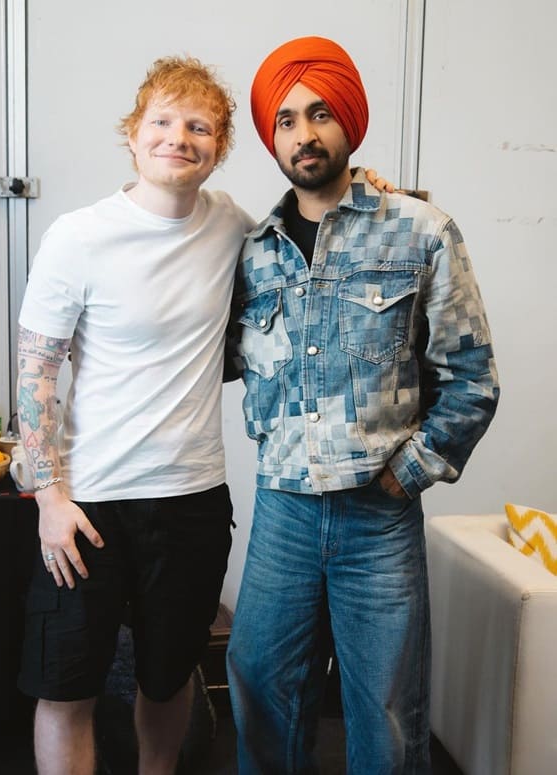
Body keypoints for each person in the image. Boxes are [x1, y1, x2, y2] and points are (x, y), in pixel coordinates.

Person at [226, 36, 500, 774]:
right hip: (282, 509)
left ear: (349, 120)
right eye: (284, 120)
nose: (303, 134)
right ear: (270, 136)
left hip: (377, 516)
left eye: (319, 114)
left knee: (385, 711)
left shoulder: (420, 231)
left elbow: (472, 376)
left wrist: (404, 473)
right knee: (258, 688)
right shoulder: (253, 251)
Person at [15, 56, 254, 775]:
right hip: (88, 504)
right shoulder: (78, 236)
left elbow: (312, 224)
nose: (178, 136)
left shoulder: (232, 226)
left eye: (198, 125)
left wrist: (373, 189)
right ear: (133, 134)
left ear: (217, 148)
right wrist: (49, 497)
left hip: (192, 500)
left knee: (168, 675)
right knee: (67, 686)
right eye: (162, 120)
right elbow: (36, 375)